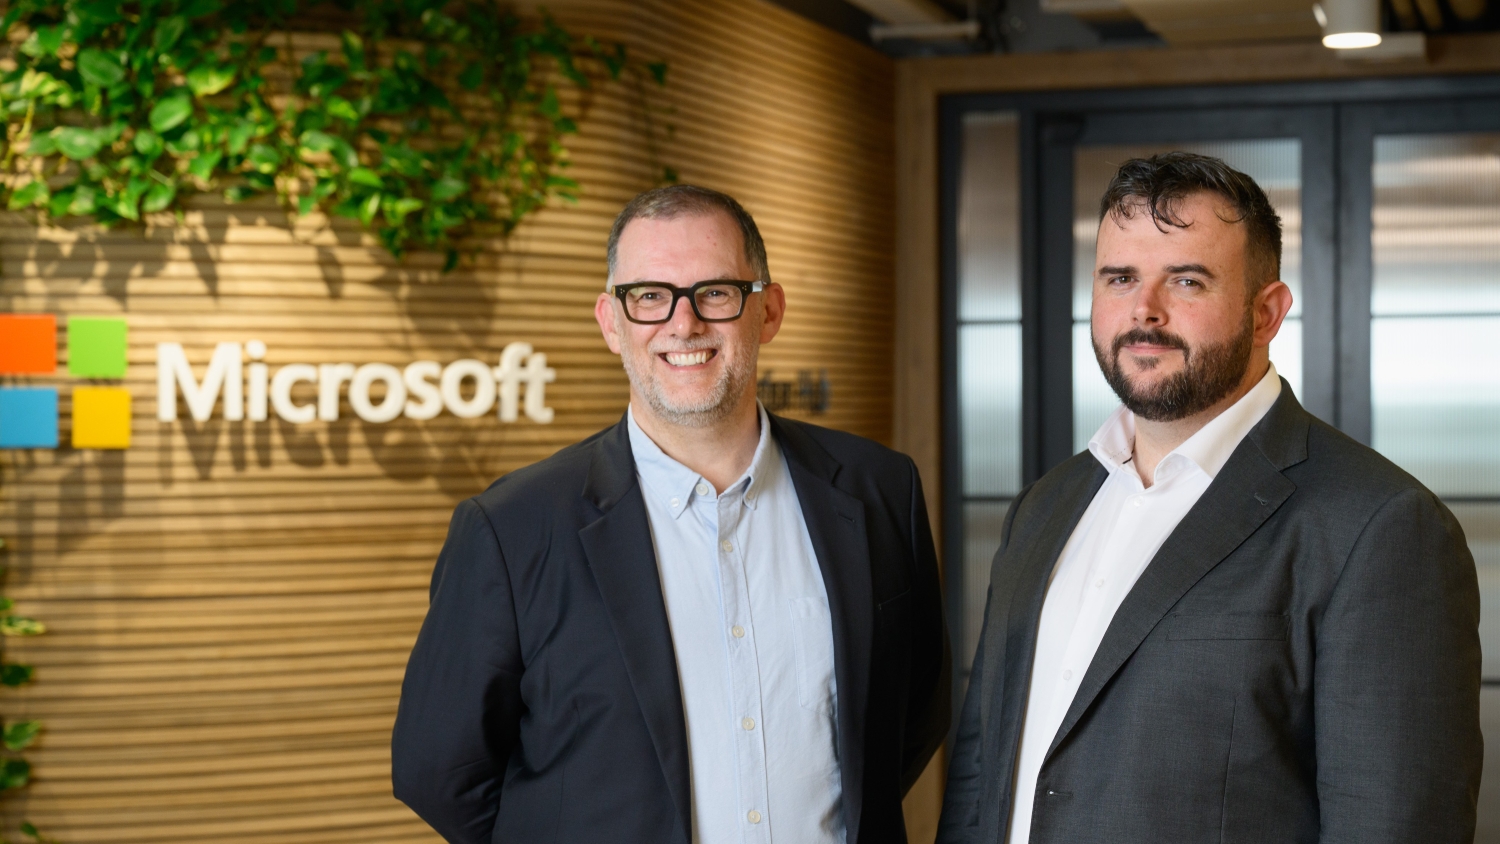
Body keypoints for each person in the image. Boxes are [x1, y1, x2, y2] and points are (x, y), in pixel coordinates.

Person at [938, 152, 1481, 844]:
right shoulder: (1045, 506)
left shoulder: (1379, 528)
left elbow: (1395, 824)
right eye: (1119, 278)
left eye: (1187, 280)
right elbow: (984, 771)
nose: (1144, 311)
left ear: (1267, 313)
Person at [393, 184, 949, 843]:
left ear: (767, 310)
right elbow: (439, 771)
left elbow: (912, 716)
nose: (683, 325)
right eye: (650, 296)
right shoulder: (513, 530)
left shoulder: (880, 490)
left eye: (714, 292)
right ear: (611, 322)